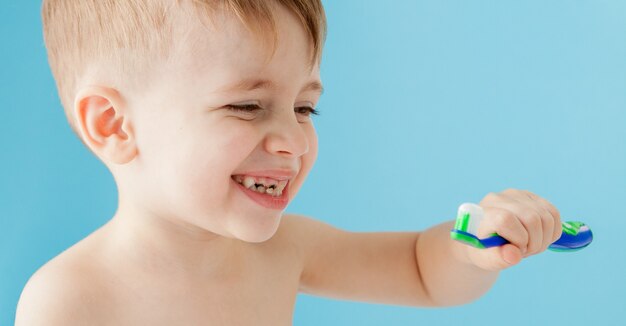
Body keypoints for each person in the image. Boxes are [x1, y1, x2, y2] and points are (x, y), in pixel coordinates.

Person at [16, 0, 562, 324]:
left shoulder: (282, 252)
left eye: (304, 107)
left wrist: (473, 248)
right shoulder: (71, 298)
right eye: (247, 106)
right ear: (114, 125)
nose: (293, 142)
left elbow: (422, 273)